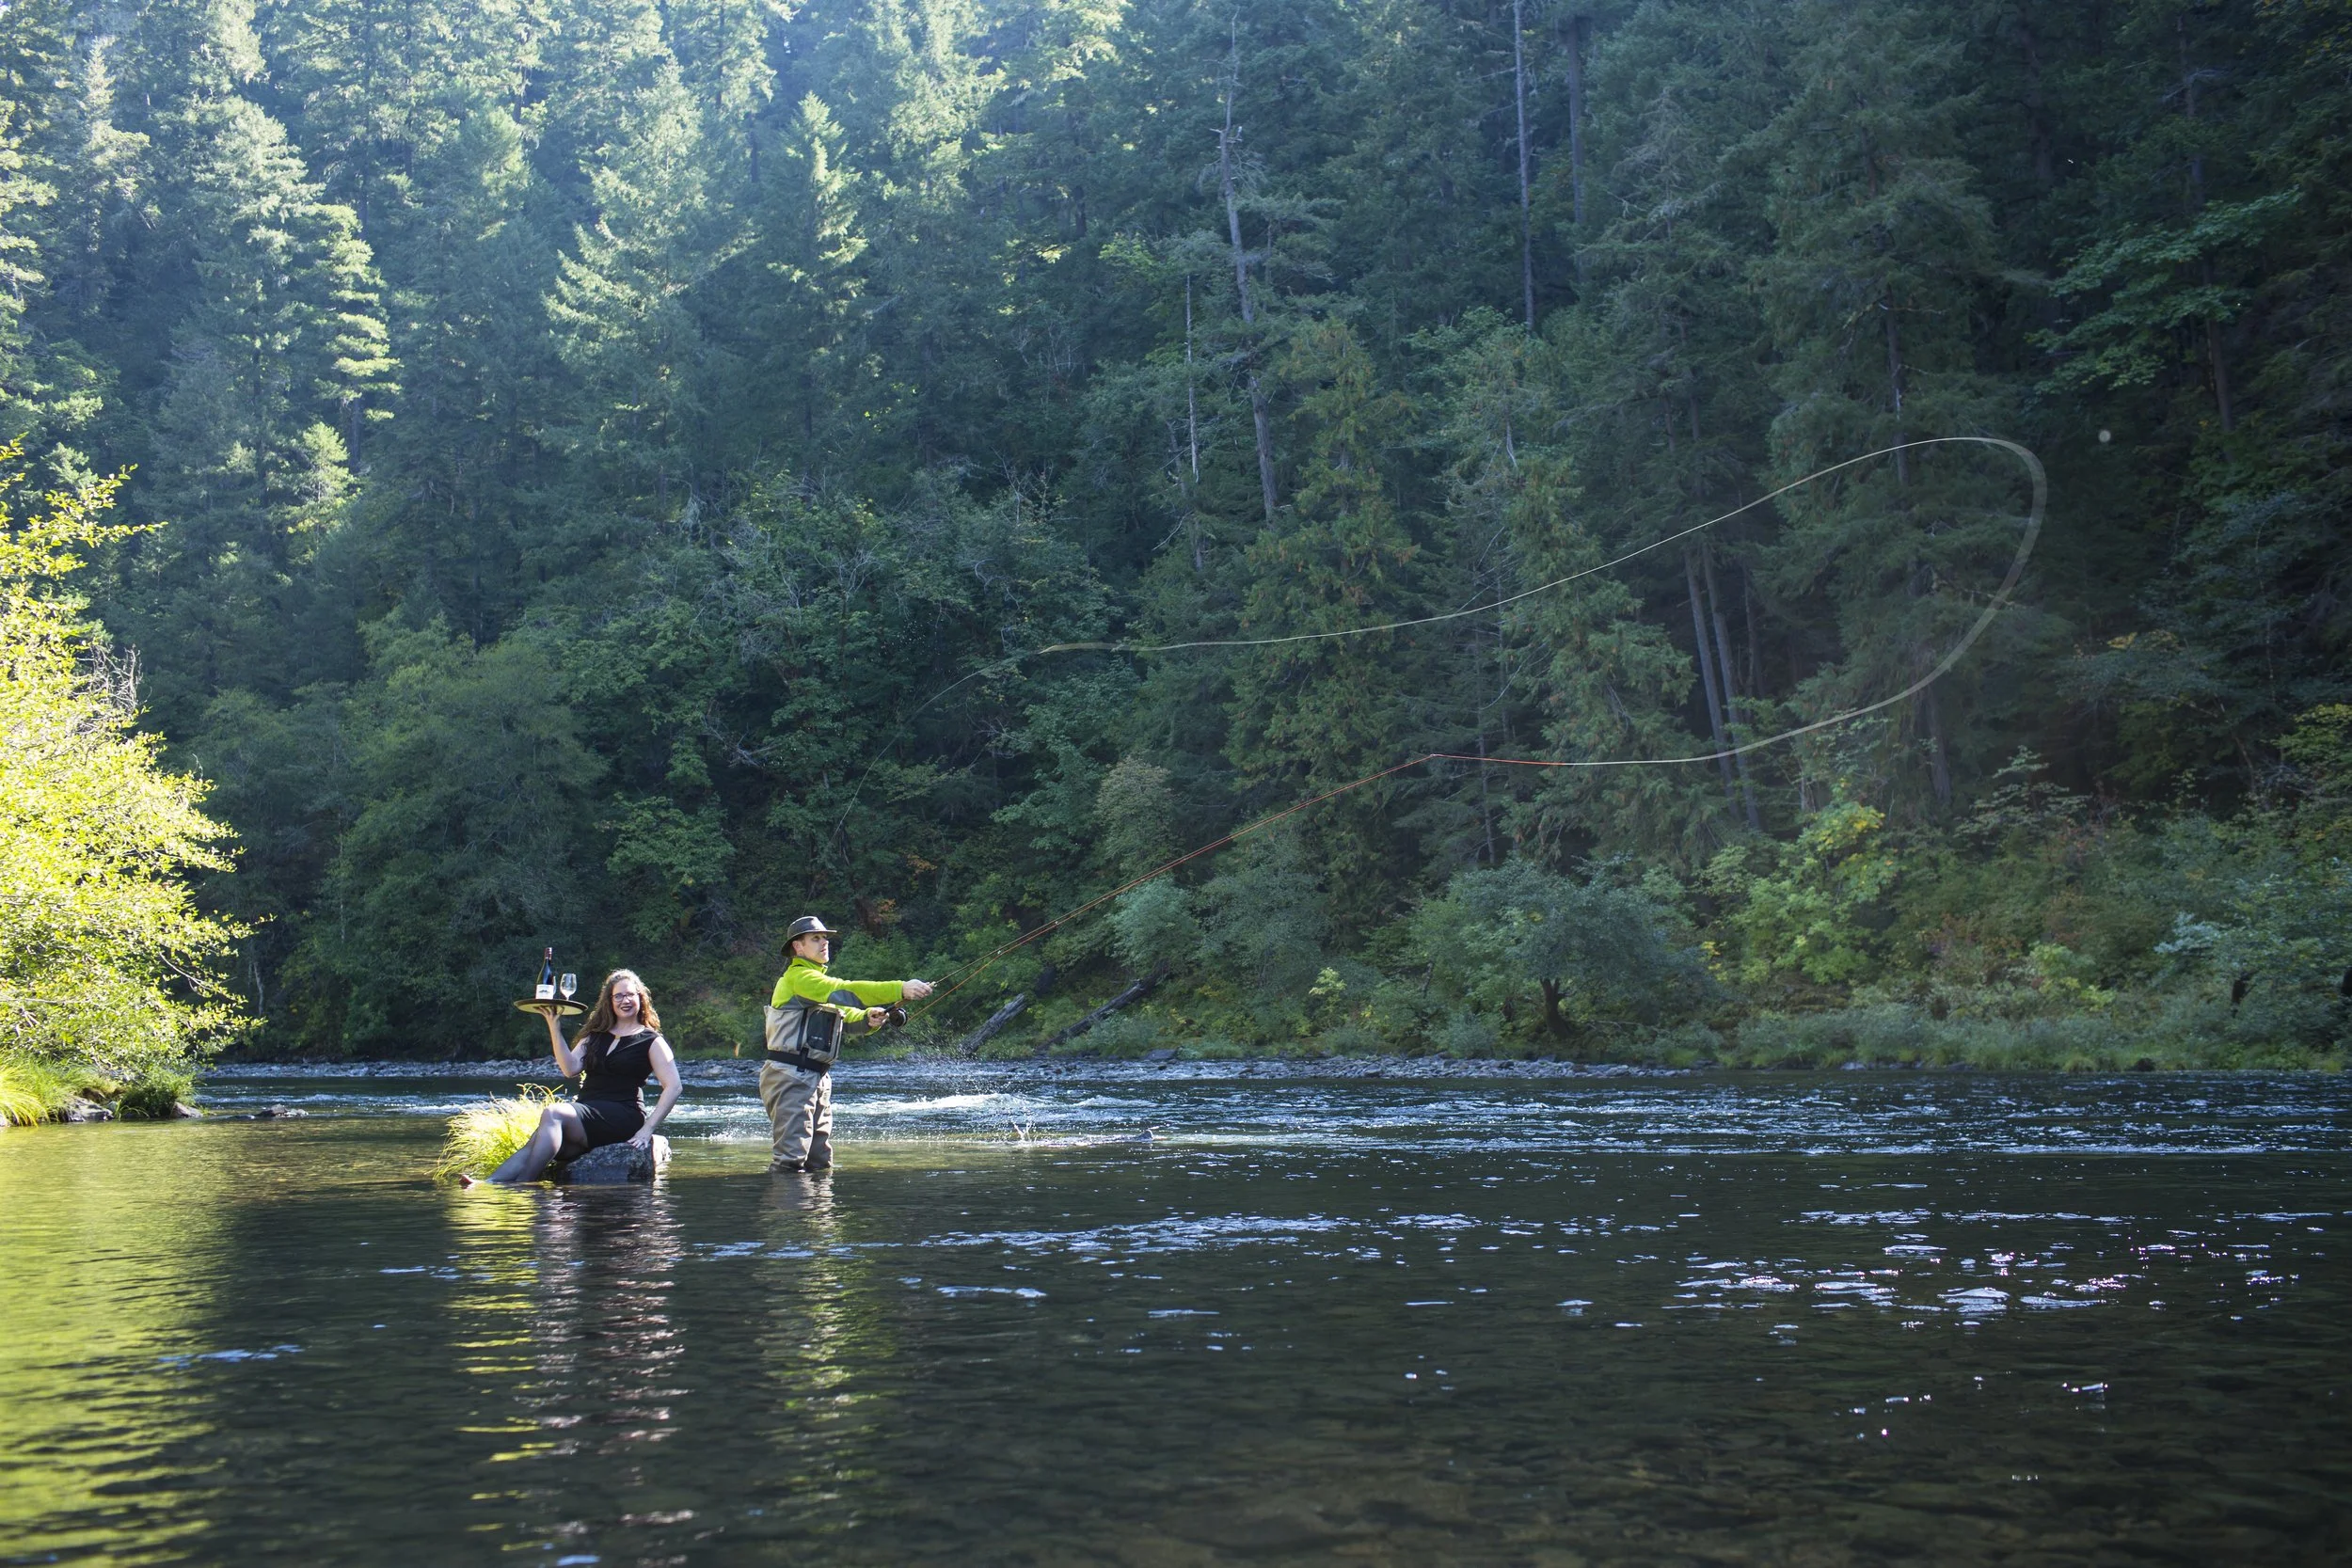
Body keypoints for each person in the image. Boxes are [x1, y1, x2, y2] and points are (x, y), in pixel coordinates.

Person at [472, 969, 683, 1184]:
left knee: (553, 1113)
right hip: (587, 1110)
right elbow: (570, 1068)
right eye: (618, 996)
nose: (625, 1000)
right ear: (609, 1001)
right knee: (537, 1141)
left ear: (640, 997)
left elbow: (674, 1087)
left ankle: (525, 1185)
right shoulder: (596, 1035)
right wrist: (554, 1027)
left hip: (622, 1114)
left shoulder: (651, 1040)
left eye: (630, 994)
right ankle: (488, 1184)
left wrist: (647, 1129)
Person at [761, 915, 932, 1174]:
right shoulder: (800, 978)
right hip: (790, 1077)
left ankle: (818, 1214)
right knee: (790, 1161)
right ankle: (789, 1215)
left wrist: (868, 1019)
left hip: (814, 1077)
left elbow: (841, 1014)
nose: (824, 943)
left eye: (825, 938)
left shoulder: (814, 986)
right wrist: (901, 989)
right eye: (815, 938)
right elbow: (847, 991)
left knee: (820, 1161)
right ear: (798, 947)